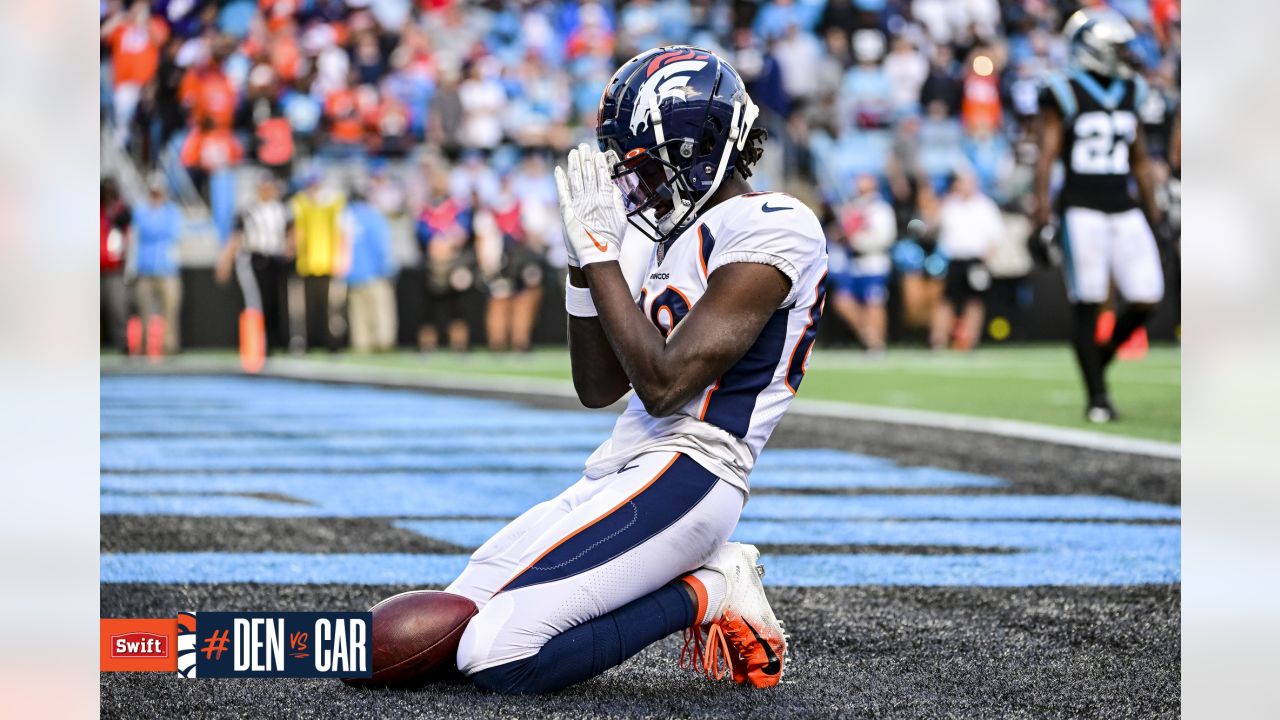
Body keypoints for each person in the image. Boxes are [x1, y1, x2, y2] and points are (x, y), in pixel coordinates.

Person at [443, 46, 827, 695]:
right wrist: (578, 265)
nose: (632, 188)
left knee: (497, 655)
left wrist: (600, 258)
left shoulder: (778, 224)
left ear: (698, 151)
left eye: (646, 168)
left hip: (696, 469)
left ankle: (708, 587)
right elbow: (599, 388)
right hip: (621, 466)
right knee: (455, 623)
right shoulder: (658, 234)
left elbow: (666, 381)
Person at [1033, 8, 1166, 423]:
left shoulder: (1134, 89)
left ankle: (1099, 359)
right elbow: (1047, 155)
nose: (1126, 55)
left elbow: (1140, 158)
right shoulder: (1063, 90)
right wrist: (1041, 213)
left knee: (1147, 295)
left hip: (1122, 204)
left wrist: (1153, 208)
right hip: (1081, 205)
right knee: (1088, 301)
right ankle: (1098, 396)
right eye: (1117, 47)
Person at [216, 176, 293, 354]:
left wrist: (290, 247)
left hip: (275, 259)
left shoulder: (281, 209)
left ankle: (274, 342)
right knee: (255, 302)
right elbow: (236, 237)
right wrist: (225, 261)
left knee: (275, 302)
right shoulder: (248, 210)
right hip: (254, 259)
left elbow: (291, 231)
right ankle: (256, 344)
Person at [930, 169, 1002, 351]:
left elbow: (996, 235)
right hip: (954, 259)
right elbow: (934, 226)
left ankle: (969, 340)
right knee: (947, 300)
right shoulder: (950, 205)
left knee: (974, 302)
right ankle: (938, 339)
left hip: (975, 260)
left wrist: (986, 258)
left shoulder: (985, 206)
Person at [829, 174, 896, 353]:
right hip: (853, 263)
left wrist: (857, 239)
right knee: (843, 301)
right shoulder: (853, 208)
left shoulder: (881, 209)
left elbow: (884, 237)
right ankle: (868, 337)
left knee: (874, 302)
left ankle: (877, 343)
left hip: (873, 261)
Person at [290, 173, 348, 352]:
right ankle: (309, 342)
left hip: (327, 264)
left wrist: (341, 258)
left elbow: (341, 232)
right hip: (307, 264)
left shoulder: (333, 203)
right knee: (307, 309)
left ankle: (332, 344)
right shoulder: (300, 203)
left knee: (330, 308)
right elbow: (297, 232)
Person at [131, 176, 185, 354]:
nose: (155, 196)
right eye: (153, 192)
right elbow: (147, 229)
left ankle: (169, 348)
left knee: (170, 311)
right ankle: (146, 349)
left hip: (168, 270)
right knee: (144, 312)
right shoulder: (141, 211)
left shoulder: (172, 212)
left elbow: (172, 232)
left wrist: (155, 229)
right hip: (145, 270)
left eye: (158, 192)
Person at [342, 186, 398, 353]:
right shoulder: (373, 217)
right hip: (374, 273)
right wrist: (387, 269)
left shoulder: (345, 217)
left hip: (351, 273)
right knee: (380, 310)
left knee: (357, 313)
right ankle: (383, 342)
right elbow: (381, 245)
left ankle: (361, 344)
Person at [100, 178, 132, 352]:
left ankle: (123, 345)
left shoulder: (121, 211)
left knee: (117, 308)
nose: (108, 195)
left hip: (114, 270)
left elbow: (127, 236)